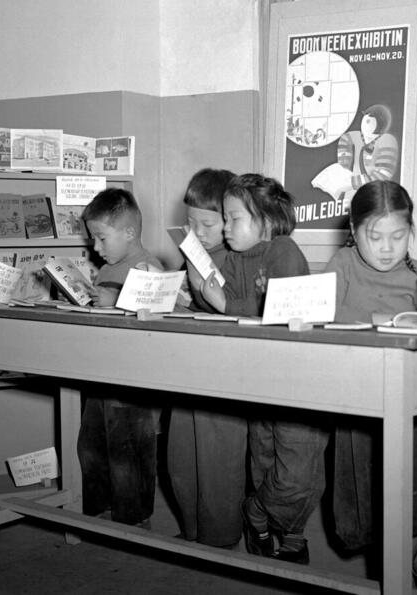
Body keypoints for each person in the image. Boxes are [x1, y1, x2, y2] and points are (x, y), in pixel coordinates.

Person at [200, 173, 326, 564]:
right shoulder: (236, 258)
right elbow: (229, 316)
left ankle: (257, 511)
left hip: (296, 381)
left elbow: (282, 310)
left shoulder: (283, 249)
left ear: (267, 222)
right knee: (265, 459)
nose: (224, 226)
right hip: (258, 377)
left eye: (233, 218)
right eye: (224, 217)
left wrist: (224, 306)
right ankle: (290, 534)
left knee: (297, 470)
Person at [323, 180, 417, 588]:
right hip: (359, 398)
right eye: (375, 237)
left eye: (398, 236)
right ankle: (386, 559)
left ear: (411, 232)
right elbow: (324, 322)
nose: (387, 248)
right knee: (362, 498)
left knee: (413, 491)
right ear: (353, 232)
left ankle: (404, 560)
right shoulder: (342, 264)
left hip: (412, 406)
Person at [167, 168, 248, 548]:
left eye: (208, 223)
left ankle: (219, 536)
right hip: (189, 361)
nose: (196, 232)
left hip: (224, 366)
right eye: (190, 223)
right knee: (180, 453)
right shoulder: (195, 253)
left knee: (219, 457)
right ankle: (191, 527)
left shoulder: (238, 258)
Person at [76, 187, 163, 527]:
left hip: (131, 383)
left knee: (129, 452)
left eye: (100, 238)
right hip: (101, 375)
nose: (95, 248)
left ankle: (135, 517)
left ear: (128, 233)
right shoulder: (110, 267)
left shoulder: (147, 267)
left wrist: (117, 301)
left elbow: (156, 325)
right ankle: (98, 508)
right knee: (92, 448)